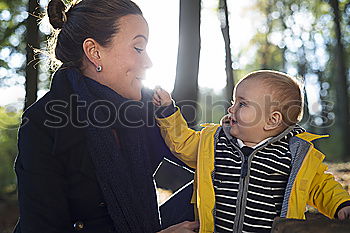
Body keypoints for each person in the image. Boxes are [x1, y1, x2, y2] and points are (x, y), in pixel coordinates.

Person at [14, 0, 199, 232]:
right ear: (94, 52)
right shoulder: (42, 122)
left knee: (228, 185)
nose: (149, 62)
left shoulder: (146, 108)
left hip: (146, 223)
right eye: (138, 48)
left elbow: (198, 154)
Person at [153, 70, 350, 233]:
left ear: (272, 120)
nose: (231, 109)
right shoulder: (214, 142)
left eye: (242, 103)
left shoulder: (293, 155)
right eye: (233, 102)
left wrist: (342, 204)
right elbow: (183, 143)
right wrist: (168, 112)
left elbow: (321, 185)